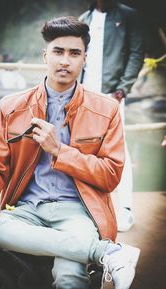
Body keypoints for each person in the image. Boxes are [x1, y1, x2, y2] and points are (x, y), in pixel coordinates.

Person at [0, 16, 140, 289]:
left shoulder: (106, 109)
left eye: (74, 53)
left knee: (69, 278)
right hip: (26, 208)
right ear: (45, 55)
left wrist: (59, 150)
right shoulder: (12, 106)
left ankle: (94, 251)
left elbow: (111, 175)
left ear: (84, 59)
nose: (65, 61)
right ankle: (106, 252)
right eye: (58, 52)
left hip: (78, 211)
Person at [79, 0, 144, 232]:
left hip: (113, 96)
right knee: (84, 151)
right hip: (84, 95)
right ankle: (91, 209)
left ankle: (125, 209)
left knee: (119, 150)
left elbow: (137, 53)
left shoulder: (128, 15)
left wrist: (122, 89)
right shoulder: (84, 19)